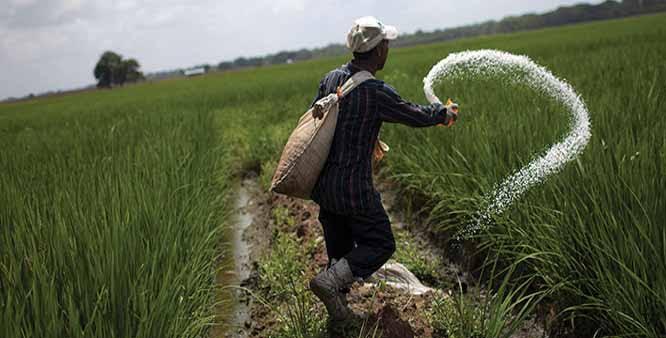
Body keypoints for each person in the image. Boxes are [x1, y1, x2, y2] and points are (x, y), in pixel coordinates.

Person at [308, 16, 458, 333]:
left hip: (325, 187)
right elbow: (413, 114)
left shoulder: (330, 78)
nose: (388, 49)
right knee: (381, 243)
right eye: (386, 45)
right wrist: (442, 113)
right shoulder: (375, 91)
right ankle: (329, 282)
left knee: (339, 248)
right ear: (378, 51)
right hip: (354, 190)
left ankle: (338, 314)